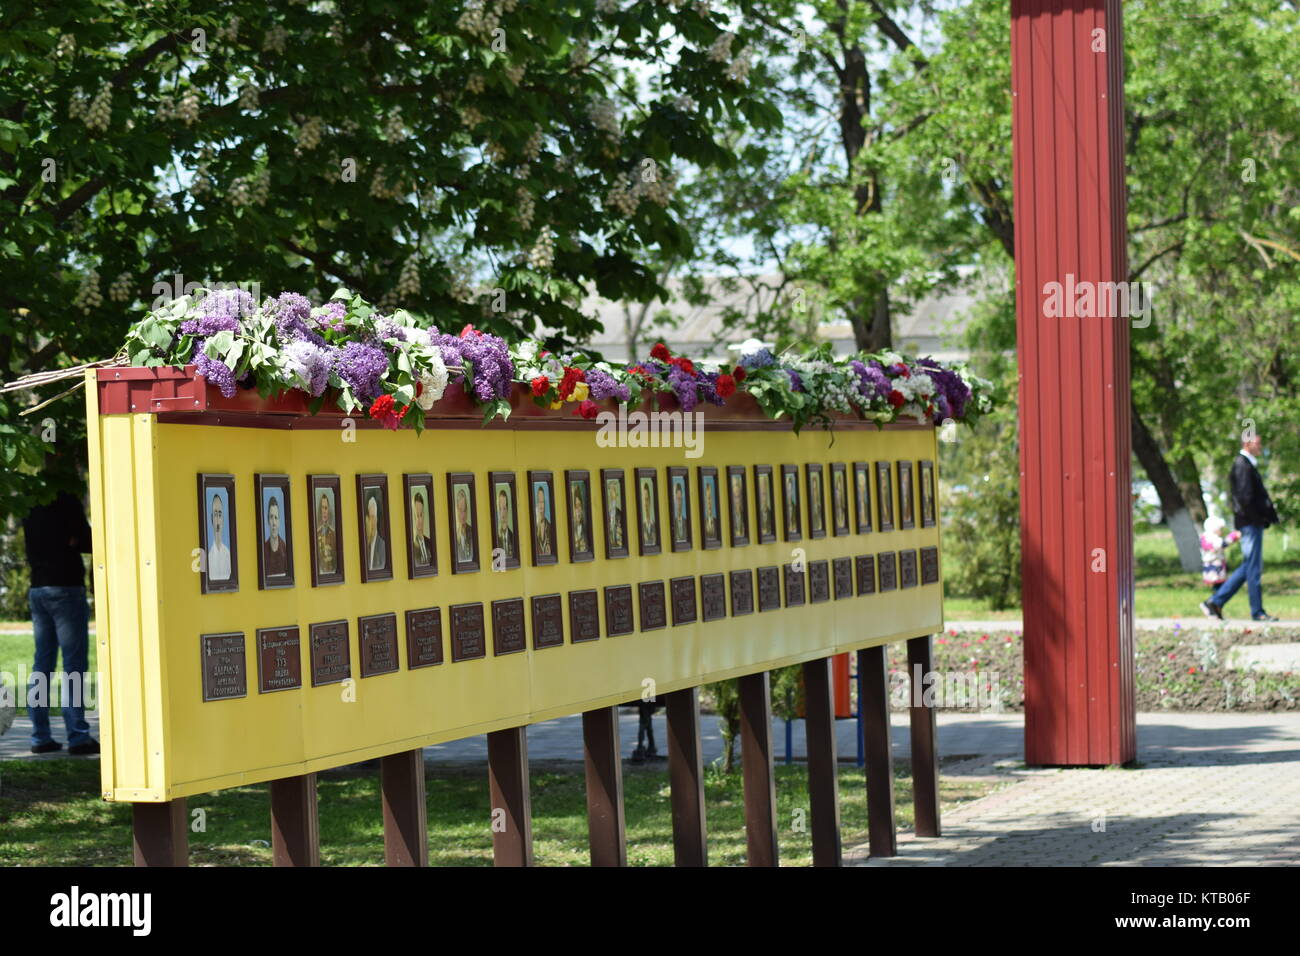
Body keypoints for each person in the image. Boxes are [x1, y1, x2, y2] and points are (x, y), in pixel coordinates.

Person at [22, 459, 98, 755]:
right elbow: (87, 539)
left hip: (37, 587)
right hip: (66, 587)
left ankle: (40, 736)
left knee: (42, 663)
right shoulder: (66, 497)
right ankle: (78, 735)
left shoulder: (30, 498)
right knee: (74, 666)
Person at [1202, 434, 1281, 621]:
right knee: (1253, 569)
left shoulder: (1247, 464)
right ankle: (1257, 612)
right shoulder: (1242, 464)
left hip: (1251, 523)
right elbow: (1245, 498)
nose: (1261, 447)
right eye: (1258, 444)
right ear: (1247, 443)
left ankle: (1216, 602)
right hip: (1250, 524)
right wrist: (1257, 518)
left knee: (1249, 566)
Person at [1199, 516, 1241, 593]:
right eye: (1220, 529)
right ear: (1215, 529)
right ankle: (1216, 600)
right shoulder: (1212, 537)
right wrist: (1233, 536)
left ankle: (1216, 599)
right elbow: (1222, 544)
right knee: (1220, 587)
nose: (1221, 531)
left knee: (1218, 586)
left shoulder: (1205, 537)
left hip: (1209, 567)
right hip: (1215, 568)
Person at [262, 495, 289, 577]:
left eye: (276, 518)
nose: (274, 523)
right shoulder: (263, 550)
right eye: (271, 517)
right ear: (267, 521)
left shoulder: (285, 549)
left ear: (279, 521)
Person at [207, 492, 232, 580]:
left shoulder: (229, 555)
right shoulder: (207, 557)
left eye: (220, 515)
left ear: (223, 519)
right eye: (215, 514)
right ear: (211, 519)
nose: (217, 520)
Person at [315, 492, 337, 574]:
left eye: (326, 508)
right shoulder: (316, 534)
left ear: (328, 510)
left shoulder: (333, 534)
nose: (324, 511)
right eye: (322, 508)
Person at [494, 487, 517, 560]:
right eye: (500, 509)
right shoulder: (496, 538)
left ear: (508, 509)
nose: (502, 513)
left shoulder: (513, 537)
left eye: (504, 508)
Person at [364, 494, 386, 571]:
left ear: (377, 519)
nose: (371, 522)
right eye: (370, 518)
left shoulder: (382, 546)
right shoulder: (365, 545)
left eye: (373, 517)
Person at [411, 492, 433, 567]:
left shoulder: (430, 543)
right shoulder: (411, 546)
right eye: (416, 515)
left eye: (421, 515)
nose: (419, 520)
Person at [454, 487, 475, 564]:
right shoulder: (453, 534)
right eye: (460, 510)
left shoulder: (472, 532)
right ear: (456, 510)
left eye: (465, 510)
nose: (463, 515)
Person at [533, 485, 553, 557]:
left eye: (542, 502)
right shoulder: (532, 528)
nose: (541, 506)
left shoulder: (550, 527)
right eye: (538, 502)